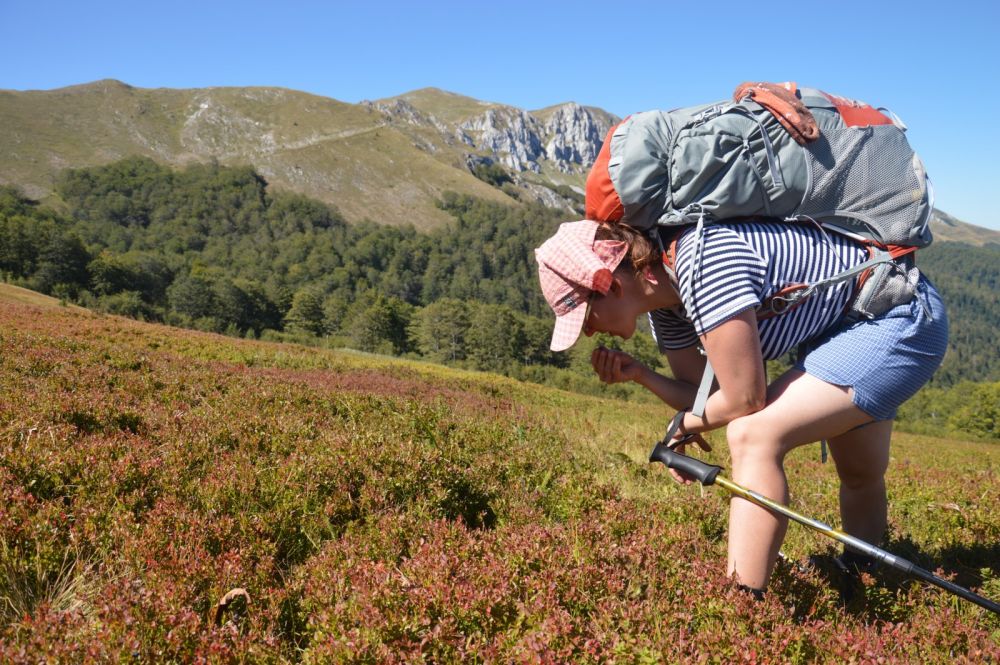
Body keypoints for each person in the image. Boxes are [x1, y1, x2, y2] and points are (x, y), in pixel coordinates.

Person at [534, 218, 949, 597]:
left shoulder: (701, 264)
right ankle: (862, 574)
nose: (589, 332)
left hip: (896, 315)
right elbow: (705, 395)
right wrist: (641, 375)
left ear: (612, 285)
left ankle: (742, 605)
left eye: (586, 317)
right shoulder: (665, 303)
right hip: (846, 327)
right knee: (859, 473)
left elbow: (746, 399)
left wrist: (684, 423)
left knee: (753, 435)